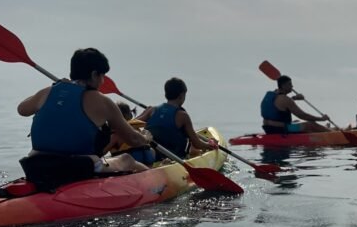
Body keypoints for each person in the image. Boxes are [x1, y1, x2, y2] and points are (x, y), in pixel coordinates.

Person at [17, 48, 154, 175]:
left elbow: (22, 109)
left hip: (35, 165)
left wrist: (55, 86)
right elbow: (134, 139)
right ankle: (155, 178)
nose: (102, 81)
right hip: (78, 167)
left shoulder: (47, 92)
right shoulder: (102, 101)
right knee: (126, 159)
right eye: (102, 76)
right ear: (94, 74)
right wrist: (146, 138)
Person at [140, 77, 215, 160]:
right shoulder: (183, 116)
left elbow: (130, 124)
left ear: (166, 94)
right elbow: (197, 143)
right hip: (172, 159)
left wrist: (143, 113)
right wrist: (210, 145)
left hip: (150, 157)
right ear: (181, 95)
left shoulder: (151, 110)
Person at [260, 75, 328, 135]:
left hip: (268, 129)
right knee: (311, 124)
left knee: (296, 122)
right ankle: (332, 133)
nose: (292, 86)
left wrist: (294, 98)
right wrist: (321, 119)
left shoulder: (273, 95)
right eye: (290, 84)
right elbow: (303, 115)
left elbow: (280, 104)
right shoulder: (286, 100)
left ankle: (325, 129)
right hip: (281, 129)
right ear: (283, 86)